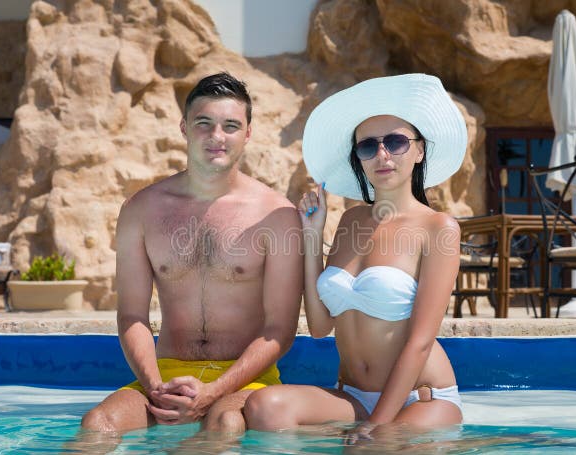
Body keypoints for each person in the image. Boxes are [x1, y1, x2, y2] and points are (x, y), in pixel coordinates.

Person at [243, 73, 467, 442]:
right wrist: (312, 236)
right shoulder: (350, 221)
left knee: (370, 446)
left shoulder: (438, 228)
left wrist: (375, 426)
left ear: (419, 150)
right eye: (367, 146)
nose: (382, 155)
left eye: (395, 142)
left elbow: (420, 342)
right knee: (264, 409)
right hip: (353, 395)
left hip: (419, 398)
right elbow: (319, 327)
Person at [81, 72, 303, 434]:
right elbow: (132, 316)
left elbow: (280, 329)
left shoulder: (276, 215)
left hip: (247, 381)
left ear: (247, 133)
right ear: (184, 127)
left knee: (225, 423)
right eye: (204, 123)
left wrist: (214, 391)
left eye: (231, 126)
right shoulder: (142, 210)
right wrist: (154, 385)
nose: (217, 137)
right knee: (97, 424)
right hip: (166, 375)